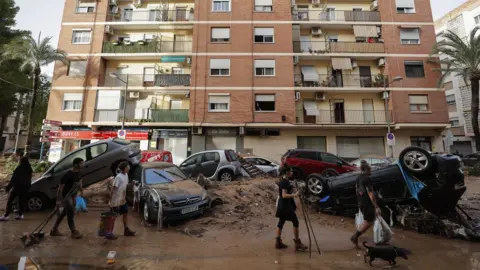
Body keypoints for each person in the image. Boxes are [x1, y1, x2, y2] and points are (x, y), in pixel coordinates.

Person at [275, 164, 308, 251]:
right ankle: (297, 243)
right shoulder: (284, 182)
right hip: (286, 206)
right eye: (291, 171)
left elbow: (286, 189)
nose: (292, 172)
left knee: (281, 222)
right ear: (287, 172)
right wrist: (295, 195)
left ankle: (278, 242)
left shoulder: (284, 180)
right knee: (295, 222)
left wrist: (294, 188)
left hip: (283, 205)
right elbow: (284, 195)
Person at [50, 158, 84, 239]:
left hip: (73, 195)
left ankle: (54, 229)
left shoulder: (79, 173)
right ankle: (73, 231)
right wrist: (58, 201)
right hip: (66, 196)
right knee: (70, 213)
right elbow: (60, 188)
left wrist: (81, 192)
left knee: (63, 213)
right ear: (76, 164)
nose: (83, 165)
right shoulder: (68, 174)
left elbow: (80, 182)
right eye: (81, 163)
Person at [350, 160, 381, 249]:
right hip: (367, 202)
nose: (371, 170)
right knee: (370, 221)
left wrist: (359, 201)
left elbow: (356, 189)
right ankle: (355, 236)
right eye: (370, 169)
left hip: (361, 201)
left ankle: (356, 236)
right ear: (366, 169)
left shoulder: (358, 177)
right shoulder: (367, 178)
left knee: (368, 220)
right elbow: (370, 193)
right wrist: (376, 206)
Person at [0, 151, 32, 221]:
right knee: (22, 201)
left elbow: (13, 180)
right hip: (25, 188)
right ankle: (21, 215)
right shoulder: (29, 170)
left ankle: (6, 215)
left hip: (17, 188)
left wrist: (8, 188)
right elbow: (29, 180)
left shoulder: (19, 169)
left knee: (9, 201)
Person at [108, 161, 135, 239]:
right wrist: (110, 200)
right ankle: (109, 233)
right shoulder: (118, 177)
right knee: (113, 217)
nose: (129, 167)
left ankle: (126, 230)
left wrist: (131, 184)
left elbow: (125, 186)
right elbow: (113, 188)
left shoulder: (126, 175)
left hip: (122, 200)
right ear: (125, 168)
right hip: (116, 201)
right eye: (128, 166)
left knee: (125, 213)